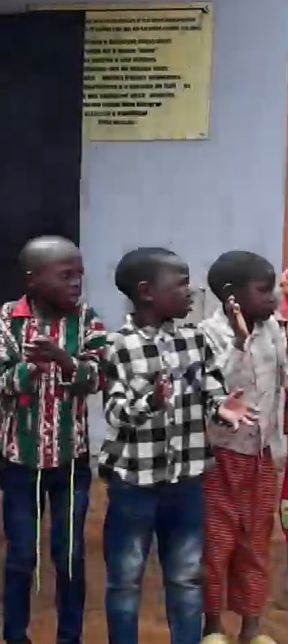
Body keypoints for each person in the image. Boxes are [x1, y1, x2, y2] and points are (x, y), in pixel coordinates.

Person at [100, 248, 256, 644]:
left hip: (185, 482)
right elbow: (115, 413)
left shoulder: (195, 339)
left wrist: (222, 407)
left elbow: (211, 389)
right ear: (146, 292)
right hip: (133, 485)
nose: (191, 291)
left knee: (186, 578)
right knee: (125, 580)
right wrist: (150, 403)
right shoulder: (118, 346)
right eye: (181, 283)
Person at [0, 236, 106, 644]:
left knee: (69, 555)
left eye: (79, 275)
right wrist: (31, 367)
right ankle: (14, 636)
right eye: (65, 275)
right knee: (21, 554)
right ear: (32, 280)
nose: (76, 283)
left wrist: (62, 358)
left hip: (70, 457)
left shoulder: (87, 318)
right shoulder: (9, 317)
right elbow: (1, 381)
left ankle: (69, 637)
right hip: (19, 458)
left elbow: (98, 378)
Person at [199, 251, 286, 644]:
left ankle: (251, 629)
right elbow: (217, 387)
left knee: (256, 542)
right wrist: (238, 342)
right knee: (217, 545)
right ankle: (213, 627)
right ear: (232, 295)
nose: (273, 298)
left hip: (261, 457)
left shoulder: (273, 330)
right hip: (219, 458)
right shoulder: (208, 335)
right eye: (264, 290)